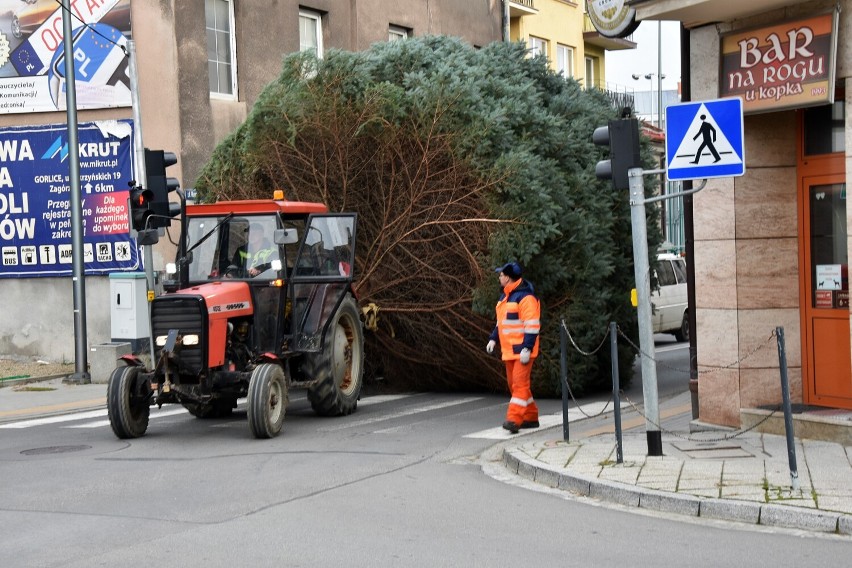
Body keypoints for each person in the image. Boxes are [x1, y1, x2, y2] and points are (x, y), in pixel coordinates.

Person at [486, 261, 541, 434]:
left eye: (501, 275)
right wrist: (493, 339)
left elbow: (532, 325)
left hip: (522, 351)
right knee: (515, 385)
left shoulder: (526, 298)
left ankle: (514, 419)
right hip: (509, 350)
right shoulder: (505, 297)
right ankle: (531, 417)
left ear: (508, 277)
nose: (499, 277)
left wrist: (527, 348)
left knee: (519, 384)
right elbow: (500, 323)